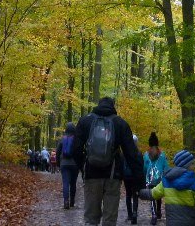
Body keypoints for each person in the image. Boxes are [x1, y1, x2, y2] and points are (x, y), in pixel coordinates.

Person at [74, 96, 143, 226]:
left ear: (98, 105)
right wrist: (139, 181)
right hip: (113, 176)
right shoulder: (120, 123)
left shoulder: (85, 121)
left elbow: (75, 149)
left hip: (91, 175)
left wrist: (83, 167)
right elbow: (132, 154)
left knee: (90, 218)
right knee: (109, 220)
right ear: (113, 106)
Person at [139, 149, 195, 226]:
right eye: (192, 163)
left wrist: (139, 192)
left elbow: (153, 194)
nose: (194, 165)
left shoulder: (167, 180)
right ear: (187, 165)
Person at [143, 132, 168, 224]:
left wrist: (145, 176)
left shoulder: (146, 155)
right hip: (160, 179)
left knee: (152, 196)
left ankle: (153, 215)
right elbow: (166, 168)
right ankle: (159, 212)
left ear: (149, 143)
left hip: (150, 179)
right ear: (157, 143)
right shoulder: (162, 155)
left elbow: (144, 168)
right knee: (159, 196)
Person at [56, 122, 79, 209]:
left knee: (65, 183)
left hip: (64, 164)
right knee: (73, 183)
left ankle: (66, 201)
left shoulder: (62, 139)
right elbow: (79, 152)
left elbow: (58, 153)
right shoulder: (76, 139)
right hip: (74, 164)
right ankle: (72, 202)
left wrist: (58, 164)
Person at [122, 135, 140, 224]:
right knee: (135, 195)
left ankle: (129, 215)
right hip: (135, 177)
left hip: (126, 176)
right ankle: (134, 214)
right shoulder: (138, 153)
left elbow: (122, 164)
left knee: (128, 195)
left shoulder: (124, 152)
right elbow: (141, 166)